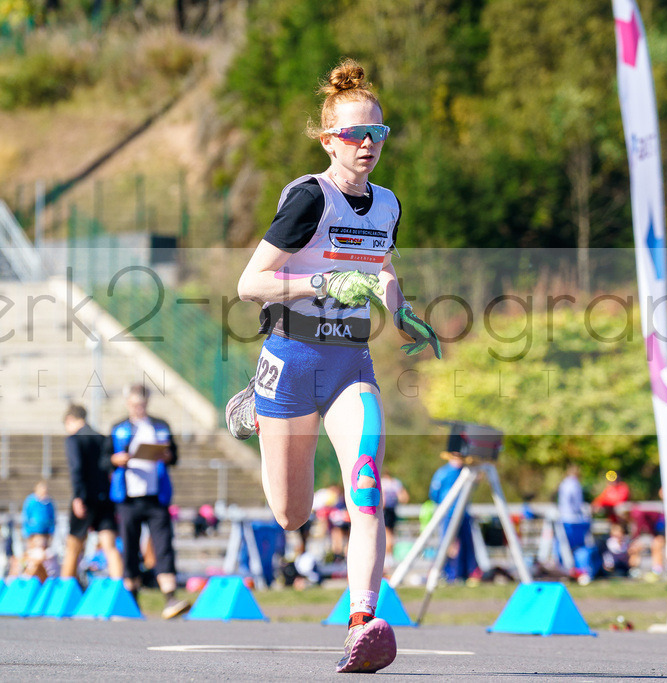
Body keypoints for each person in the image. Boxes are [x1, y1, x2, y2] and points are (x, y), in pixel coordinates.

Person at [228, 57, 441, 675]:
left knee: (367, 486)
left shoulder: (389, 204)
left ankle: (363, 623)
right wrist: (324, 278)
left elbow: (383, 265)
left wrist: (401, 314)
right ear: (329, 140)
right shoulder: (307, 198)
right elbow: (250, 283)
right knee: (292, 514)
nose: (368, 145)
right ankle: (256, 411)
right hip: (291, 361)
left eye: (378, 133)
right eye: (355, 134)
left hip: (350, 364)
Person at [105, 383, 189, 619]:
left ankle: (170, 598)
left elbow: (174, 456)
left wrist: (166, 454)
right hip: (128, 498)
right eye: (134, 405)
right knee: (130, 548)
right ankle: (132, 601)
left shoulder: (160, 426)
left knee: (163, 546)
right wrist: (115, 459)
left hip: (156, 497)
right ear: (127, 404)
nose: (138, 408)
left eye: (141, 404)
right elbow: (104, 460)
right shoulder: (118, 428)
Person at [62, 403, 124, 581]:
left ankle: (66, 592)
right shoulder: (101, 438)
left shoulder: (74, 439)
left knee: (73, 547)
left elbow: (76, 468)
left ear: (70, 420)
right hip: (105, 497)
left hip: (85, 498)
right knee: (110, 547)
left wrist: (78, 497)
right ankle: (119, 590)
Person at [429, 453, 478, 584]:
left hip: (463, 513)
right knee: (447, 544)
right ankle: (446, 573)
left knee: (466, 544)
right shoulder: (443, 472)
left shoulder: (466, 471)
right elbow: (434, 493)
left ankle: (464, 573)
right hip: (448, 514)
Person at [380, 469, 409, 566]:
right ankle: (390, 555)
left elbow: (382, 498)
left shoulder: (383, 482)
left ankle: (388, 556)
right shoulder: (395, 483)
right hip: (393, 509)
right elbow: (404, 497)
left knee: (387, 534)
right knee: (391, 533)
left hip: (385, 510)